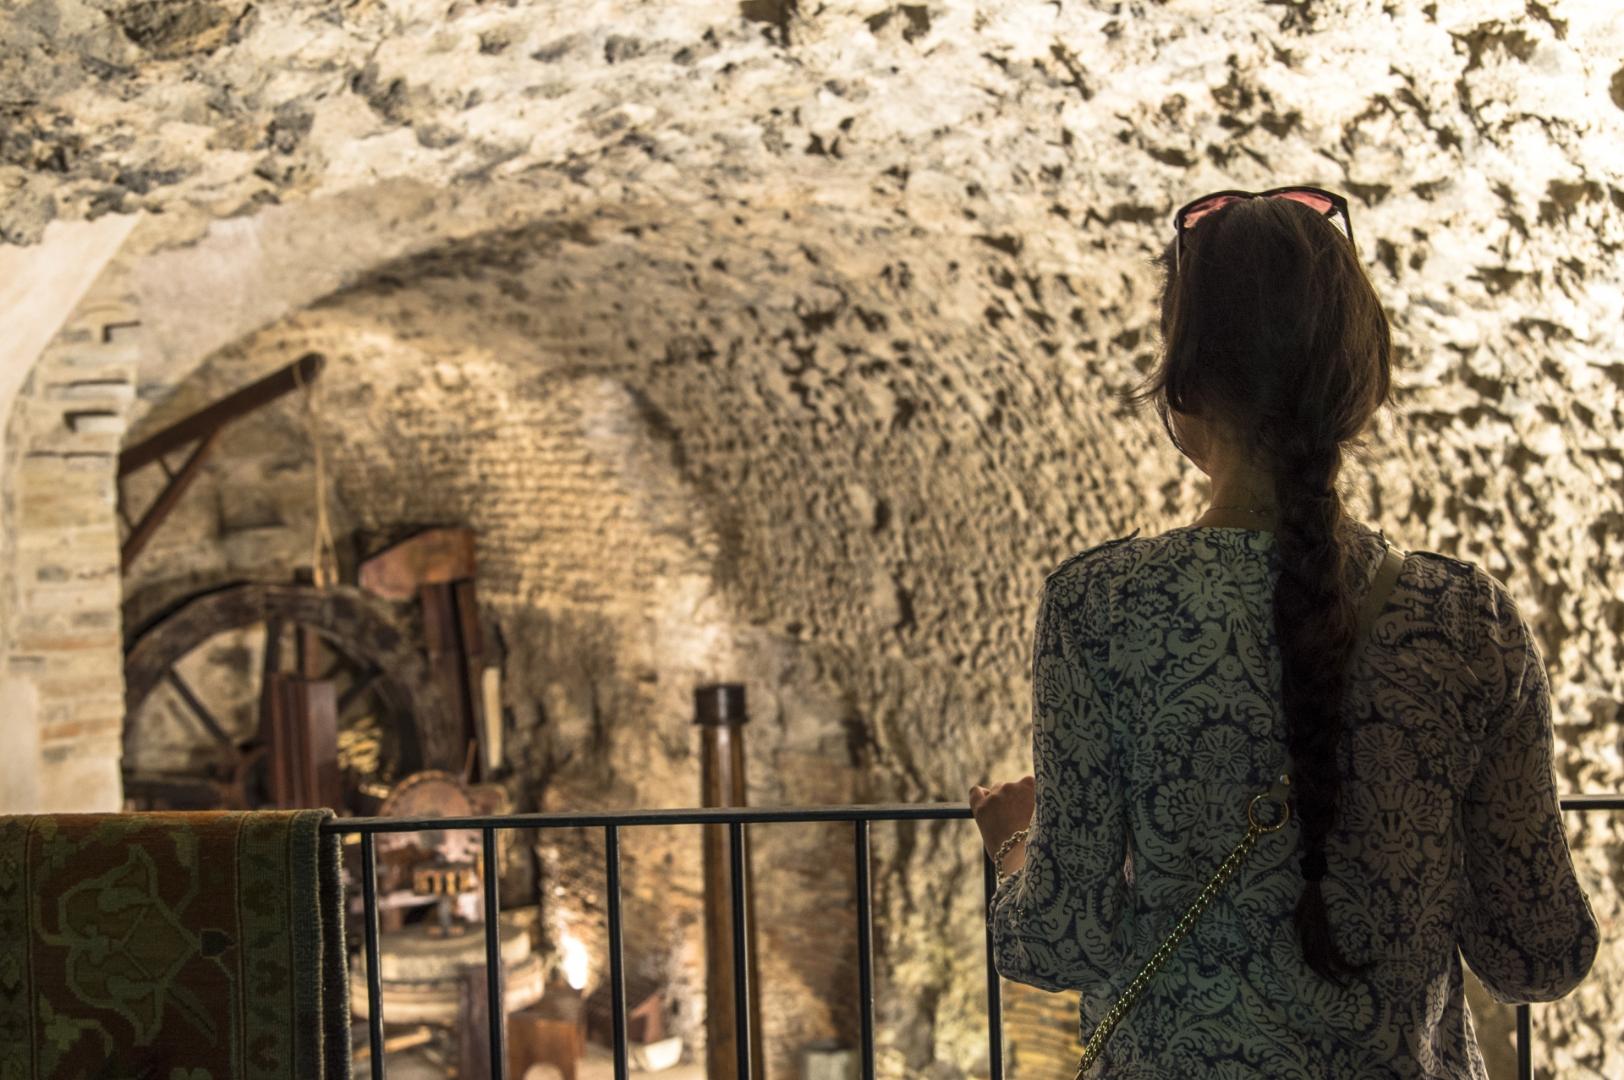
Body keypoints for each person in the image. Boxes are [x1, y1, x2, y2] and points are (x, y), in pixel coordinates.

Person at [969, 188, 1599, 1078]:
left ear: (1182, 385)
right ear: (1361, 386)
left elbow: (1058, 943)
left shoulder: (1100, 610)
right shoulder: (1468, 621)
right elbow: (1540, 956)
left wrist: (1012, 842)